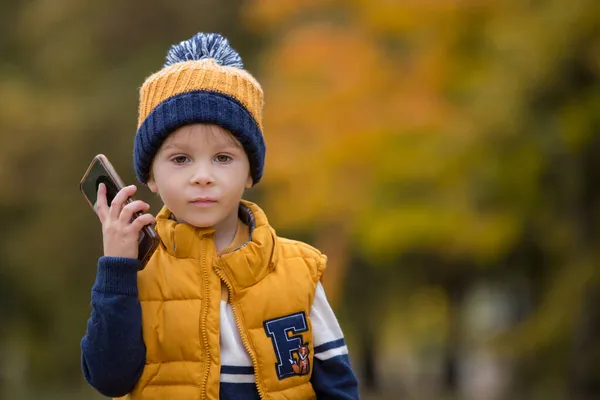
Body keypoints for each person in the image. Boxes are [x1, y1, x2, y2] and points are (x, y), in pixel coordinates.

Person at [80, 32, 360, 399]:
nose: (202, 175)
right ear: (150, 175)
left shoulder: (299, 270)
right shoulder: (135, 270)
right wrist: (117, 266)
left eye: (223, 158)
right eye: (180, 159)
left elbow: (338, 386)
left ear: (249, 172)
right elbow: (108, 377)